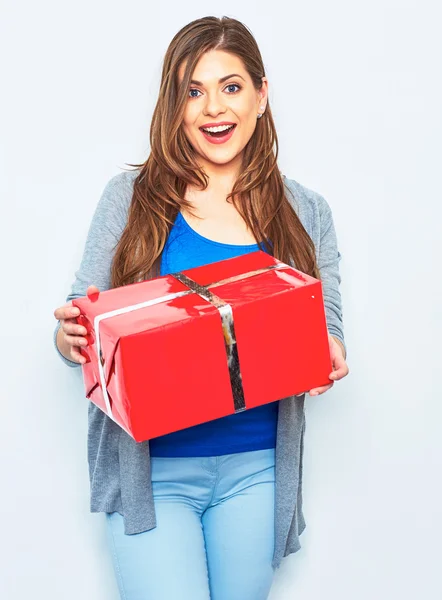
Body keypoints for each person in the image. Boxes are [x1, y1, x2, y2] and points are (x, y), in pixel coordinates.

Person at [53, 15, 349, 600]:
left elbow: (329, 323)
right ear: (175, 104)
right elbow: (79, 323)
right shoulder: (131, 199)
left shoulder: (306, 212)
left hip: (257, 470)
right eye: (193, 90)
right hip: (154, 474)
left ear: (262, 96)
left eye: (231, 87)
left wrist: (329, 352)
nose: (213, 107)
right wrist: (70, 337)